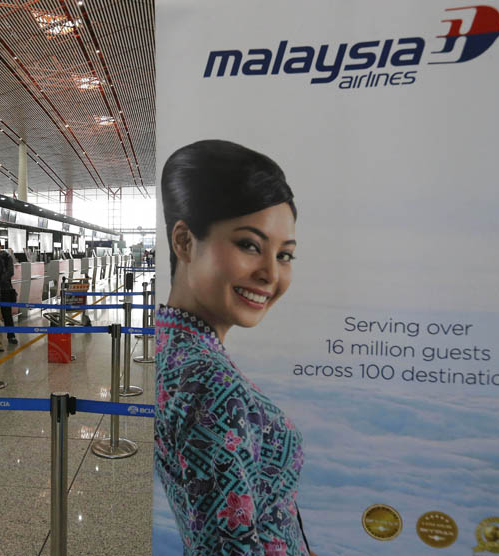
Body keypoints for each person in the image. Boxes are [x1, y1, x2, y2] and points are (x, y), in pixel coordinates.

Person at [155, 140, 314, 556]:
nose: (270, 273)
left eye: (285, 255)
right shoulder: (208, 383)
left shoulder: (169, 346)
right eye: (249, 245)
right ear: (185, 242)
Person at [0, 239, 18, 345]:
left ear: (0, 246)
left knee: (7, 313)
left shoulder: (7, 257)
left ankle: (11, 336)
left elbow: (10, 272)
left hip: (5, 289)